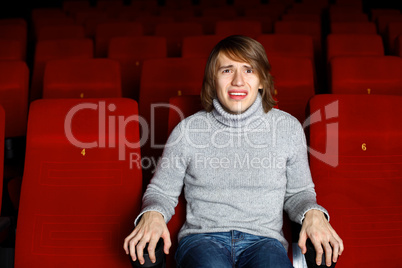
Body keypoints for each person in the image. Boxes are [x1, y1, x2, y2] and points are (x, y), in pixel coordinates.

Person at [123, 35, 344, 268]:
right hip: (202, 239)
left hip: (264, 241)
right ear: (213, 80)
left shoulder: (288, 128)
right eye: (227, 70)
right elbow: (161, 191)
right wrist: (153, 214)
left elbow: (299, 192)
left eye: (248, 70)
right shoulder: (187, 130)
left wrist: (313, 213)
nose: (238, 81)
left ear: (261, 81)